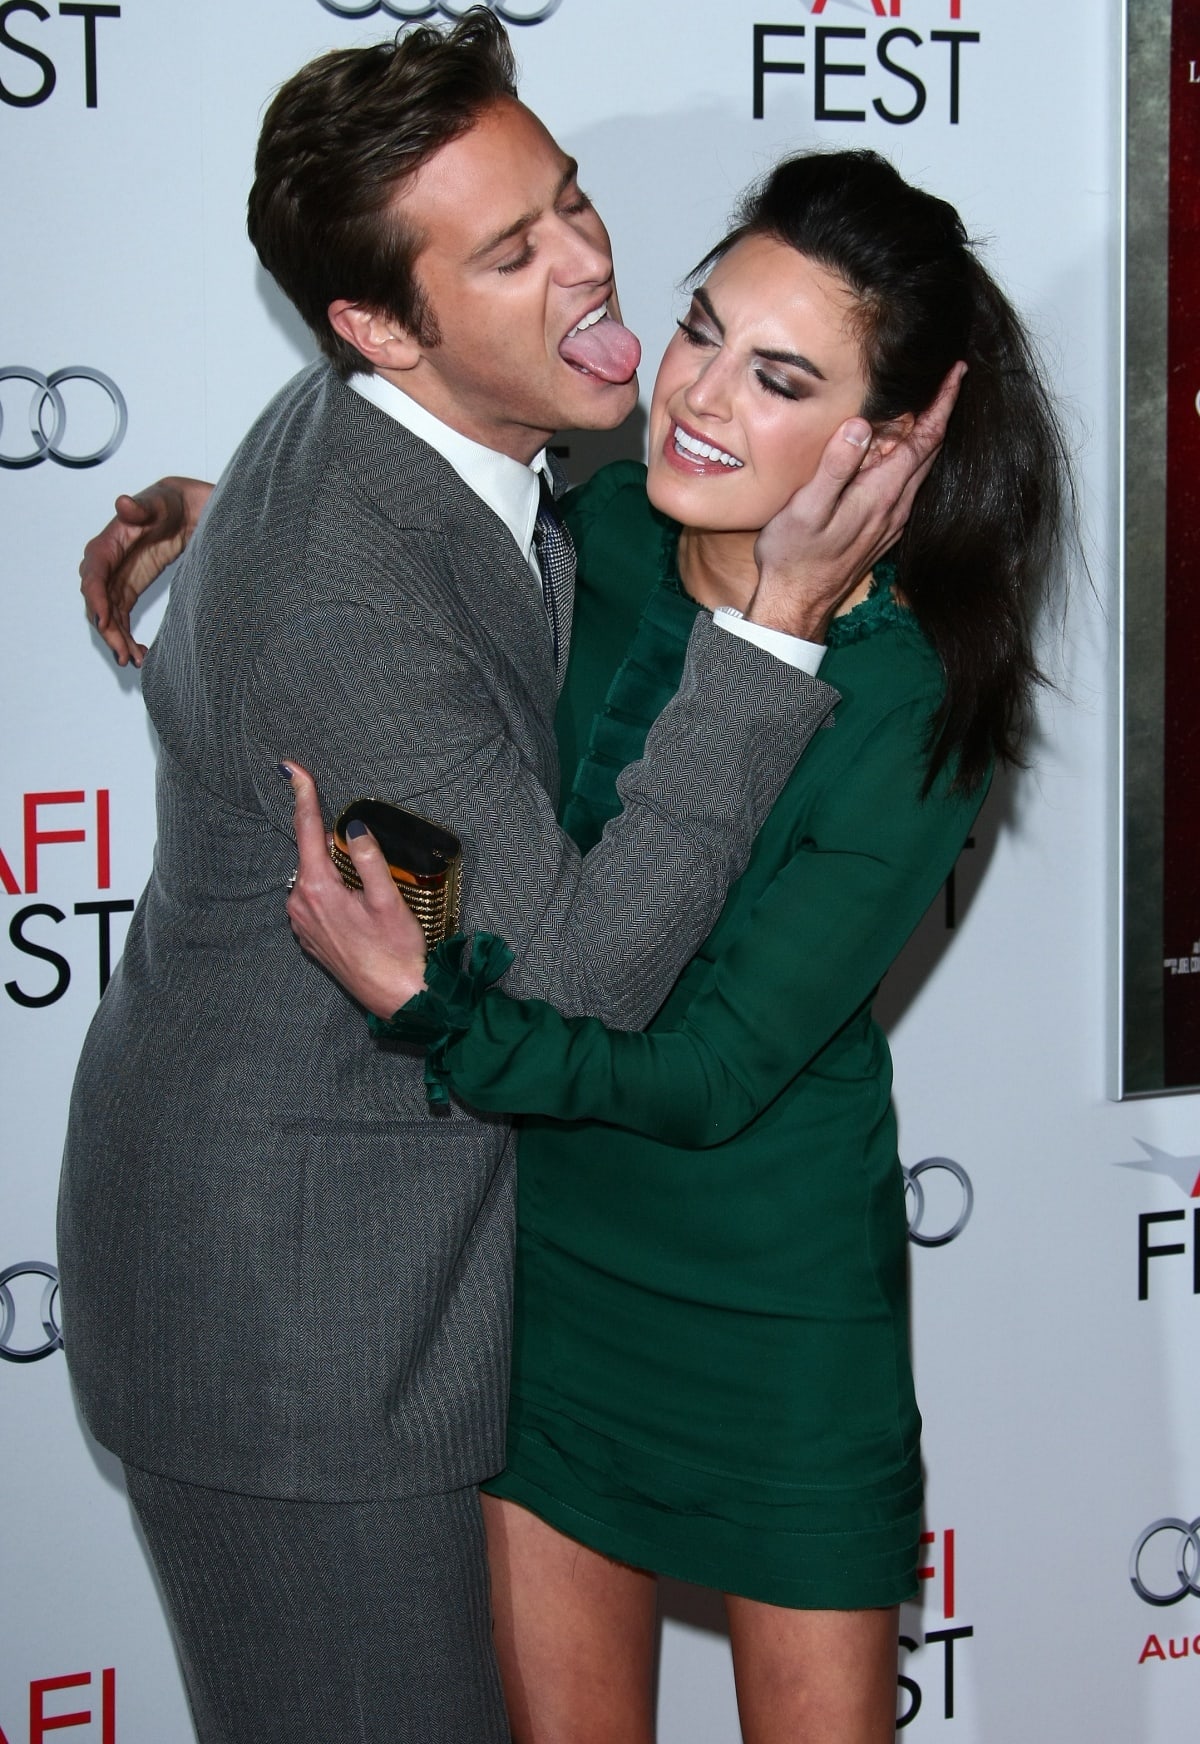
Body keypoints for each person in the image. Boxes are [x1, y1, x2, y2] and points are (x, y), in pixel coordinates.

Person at [62, 14, 956, 1743]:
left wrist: (219, 504)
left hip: (410, 1283)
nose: (588, 266)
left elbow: (425, 543)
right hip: (306, 1334)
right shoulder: (345, 598)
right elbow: (568, 979)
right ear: (377, 327)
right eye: (510, 251)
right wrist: (768, 641)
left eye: (571, 202)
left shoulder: (396, 444)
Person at [281, 149, 1072, 1744]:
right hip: (543, 1270)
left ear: (896, 438)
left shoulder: (915, 694)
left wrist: (437, 1016)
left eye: (779, 379)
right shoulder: (606, 530)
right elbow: (426, 555)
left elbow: (712, 1076)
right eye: (702, 328)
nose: (694, 396)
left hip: (768, 1303)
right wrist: (220, 515)